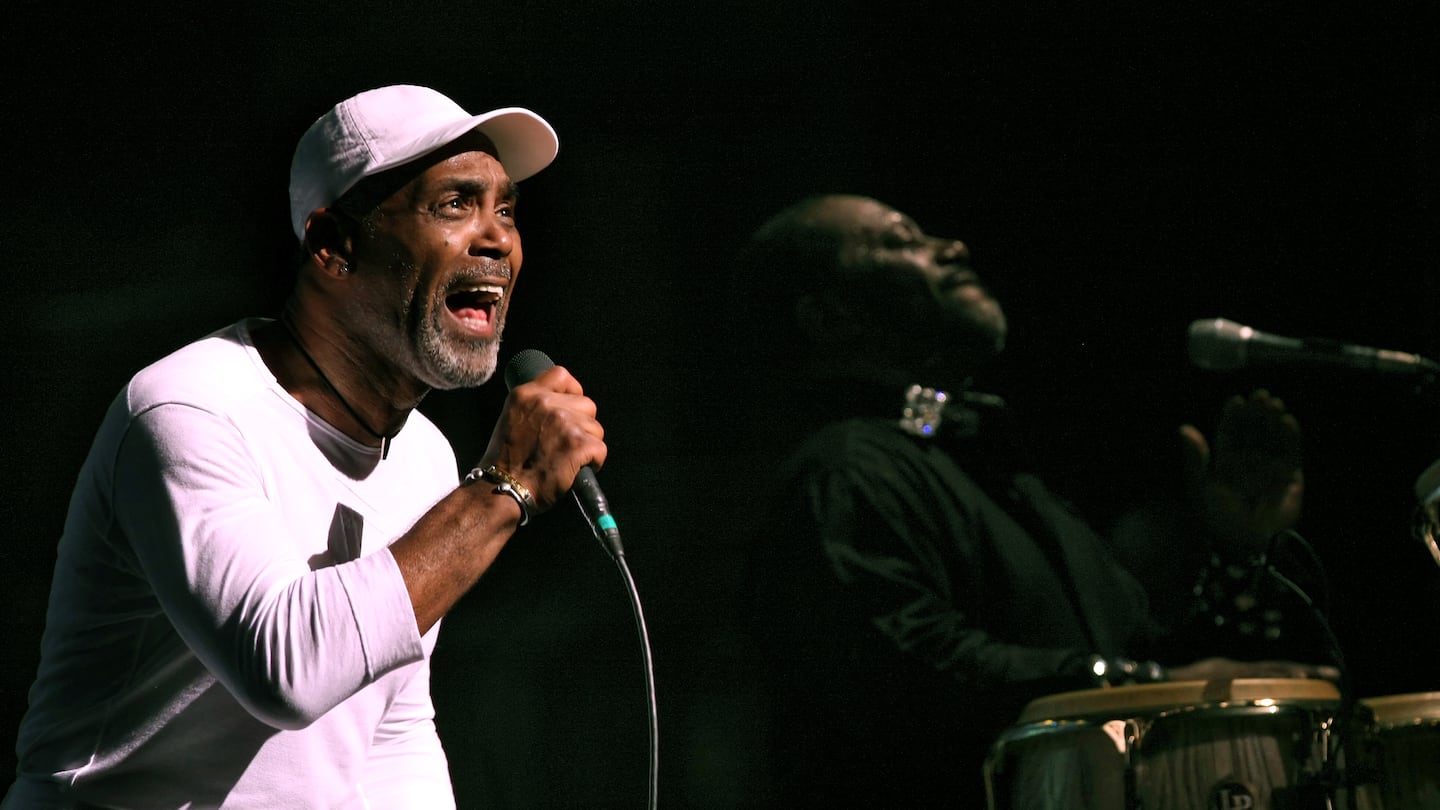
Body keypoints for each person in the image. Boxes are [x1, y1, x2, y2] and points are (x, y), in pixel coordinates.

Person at [2, 84, 606, 808]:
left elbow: (392, 737)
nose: (497, 238)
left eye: (504, 209)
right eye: (455, 204)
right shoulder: (190, 411)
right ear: (333, 246)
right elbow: (284, 670)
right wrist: (504, 485)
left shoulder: (424, 459)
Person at [732, 194, 1337, 808]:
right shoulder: (842, 475)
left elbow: (1139, 653)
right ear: (829, 318)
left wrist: (1237, 550)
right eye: (900, 241)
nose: (953, 247)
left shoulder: (991, 474)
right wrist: (1128, 683)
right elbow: (913, 673)